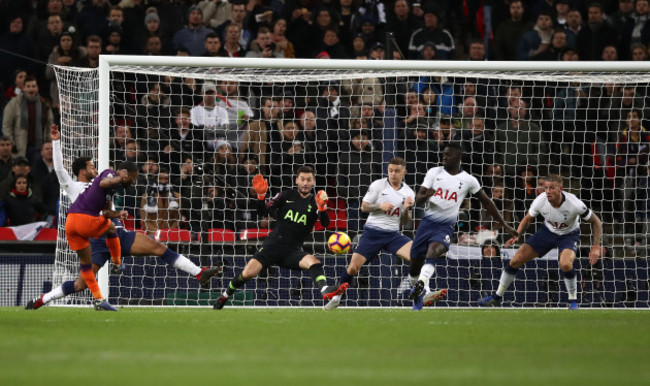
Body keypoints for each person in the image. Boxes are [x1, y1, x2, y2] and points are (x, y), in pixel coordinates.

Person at [25, 125, 222, 311]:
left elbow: (110, 199)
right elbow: (60, 170)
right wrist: (57, 142)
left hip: (118, 232)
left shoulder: (101, 183)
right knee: (80, 284)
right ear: (82, 171)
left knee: (158, 247)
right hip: (98, 239)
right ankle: (42, 300)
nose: (95, 168)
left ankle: (198, 272)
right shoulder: (74, 188)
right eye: (92, 166)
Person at [213, 166, 349, 310]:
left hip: (292, 251)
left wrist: (322, 209)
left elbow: (325, 223)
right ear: (297, 180)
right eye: (302, 179)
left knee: (314, 261)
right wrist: (260, 197)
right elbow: (263, 211)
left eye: (309, 180)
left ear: (314, 182)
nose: (305, 183)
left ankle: (325, 290)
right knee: (247, 274)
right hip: (272, 246)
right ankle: (224, 296)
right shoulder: (285, 195)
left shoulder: (315, 202)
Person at [325, 157, 447, 310]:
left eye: (397, 171)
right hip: (372, 233)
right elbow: (363, 207)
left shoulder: (408, 193)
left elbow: (404, 222)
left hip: (393, 235)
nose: (393, 174)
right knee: (353, 268)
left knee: (418, 258)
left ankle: (425, 293)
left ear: (404, 172)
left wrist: (406, 209)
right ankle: (336, 298)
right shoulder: (378, 185)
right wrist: (379, 206)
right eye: (390, 171)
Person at [408, 143, 518, 310]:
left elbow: (487, 203)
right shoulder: (434, 172)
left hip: (445, 227)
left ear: (458, 158)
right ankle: (418, 296)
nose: (444, 157)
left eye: (448, 155)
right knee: (415, 264)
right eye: (443, 154)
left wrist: (504, 224)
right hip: (426, 224)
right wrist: (426, 195)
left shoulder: (468, 180)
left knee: (434, 251)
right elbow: (419, 197)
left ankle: (422, 284)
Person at [478, 174, 603, 310]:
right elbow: (527, 219)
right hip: (547, 232)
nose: (548, 191)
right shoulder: (540, 200)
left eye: (552, 188)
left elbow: (596, 221)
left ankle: (572, 301)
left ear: (560, 189)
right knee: (515, 260)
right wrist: (517, 234)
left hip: (568, 235)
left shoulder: (575, 204)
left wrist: (596, 246)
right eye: (546, 188)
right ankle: (496, 298)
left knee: (566, 264)